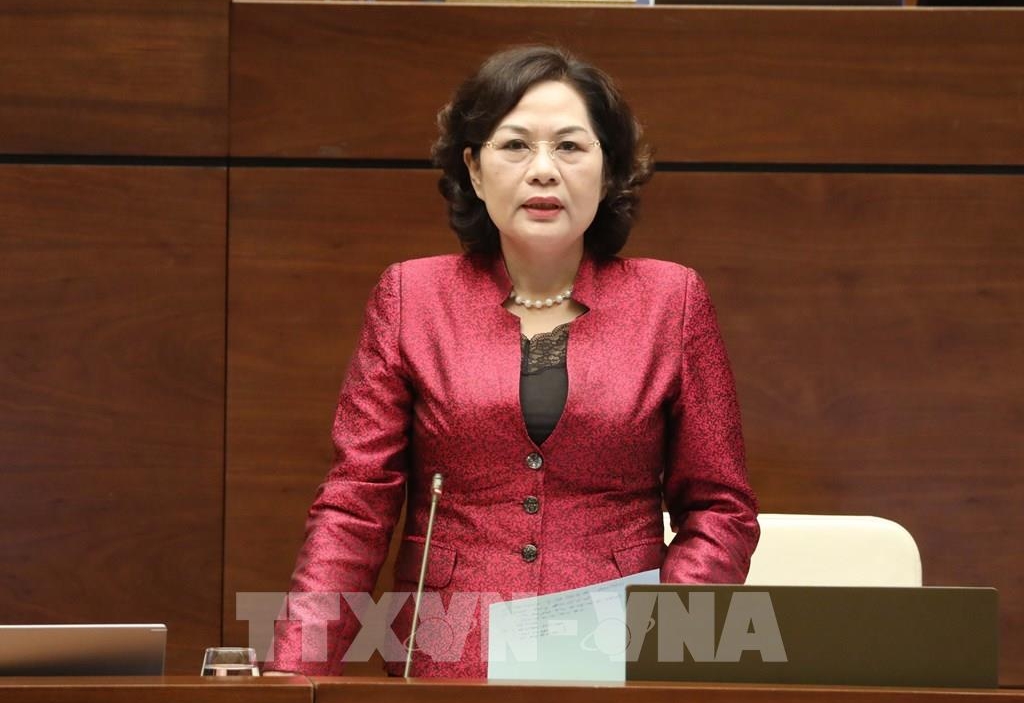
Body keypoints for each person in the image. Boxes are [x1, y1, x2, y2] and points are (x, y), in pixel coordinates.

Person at [266, 45, 759, 678]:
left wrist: (662, 648)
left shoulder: (672, 299)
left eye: (570, 146)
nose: (543, 171)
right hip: (447, 660)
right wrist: (295, 672)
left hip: (615, 664)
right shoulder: (411, 297)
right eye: (516, 146)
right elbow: (356, 503)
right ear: (474, 169)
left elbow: (720, 510)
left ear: (609, 169)